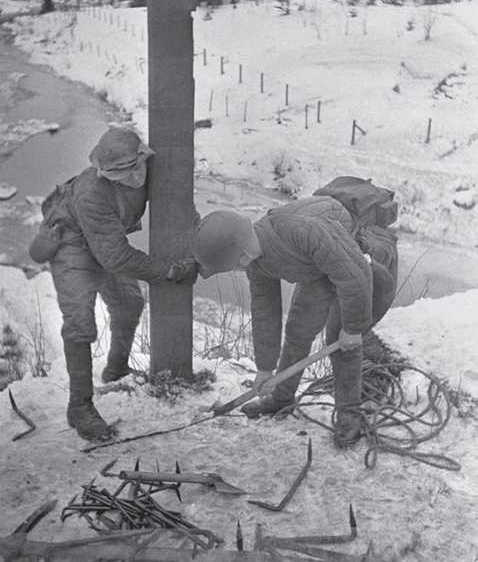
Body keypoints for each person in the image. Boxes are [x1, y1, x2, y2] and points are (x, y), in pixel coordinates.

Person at [29, 127, 197, 442]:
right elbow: (116, 257)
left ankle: (116, 368)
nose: (133, 177)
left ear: (144, 157)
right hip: (72, 243)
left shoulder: (153, 169)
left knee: (129, 304)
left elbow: (178, 205)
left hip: (106, 240)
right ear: (104, 172)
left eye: (136, 167)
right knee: (79, 323)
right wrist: (168, 271)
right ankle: (80, 406)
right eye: (121, 173)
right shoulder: (92, 193)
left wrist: (196, 234)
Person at [191, 195, 398, 447]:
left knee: (340, 340)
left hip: (357, 262)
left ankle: (349, 414)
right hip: (317, 269)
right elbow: (265, 312)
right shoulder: (256, 263)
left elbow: (355, 275)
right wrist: (265, 369)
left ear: (242, 252)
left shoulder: (301, 230)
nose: (236, 269)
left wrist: (353, 329)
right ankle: (282, 397)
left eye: (233, 264)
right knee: (298, 331)